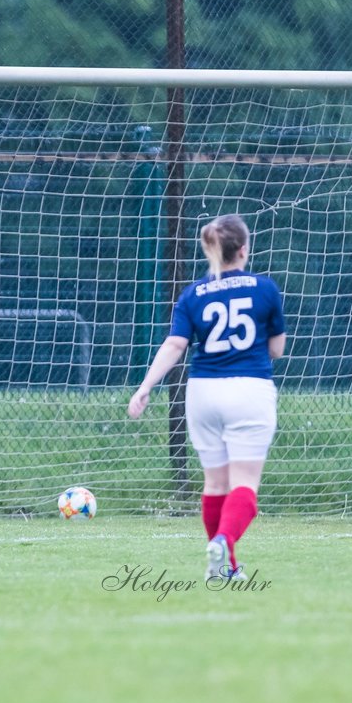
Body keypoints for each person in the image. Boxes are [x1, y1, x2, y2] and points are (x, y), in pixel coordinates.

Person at [128, 215, 285, 580]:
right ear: (244, 248)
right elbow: (276, 349)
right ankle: (223, 540)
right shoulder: (265, 290)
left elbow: (174, 345)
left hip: (202, 391)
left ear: (210, 248)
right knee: (245, 484)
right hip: (249, 388)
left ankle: (224, 567)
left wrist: (145, 387)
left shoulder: (193, 294)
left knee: (214, 484)